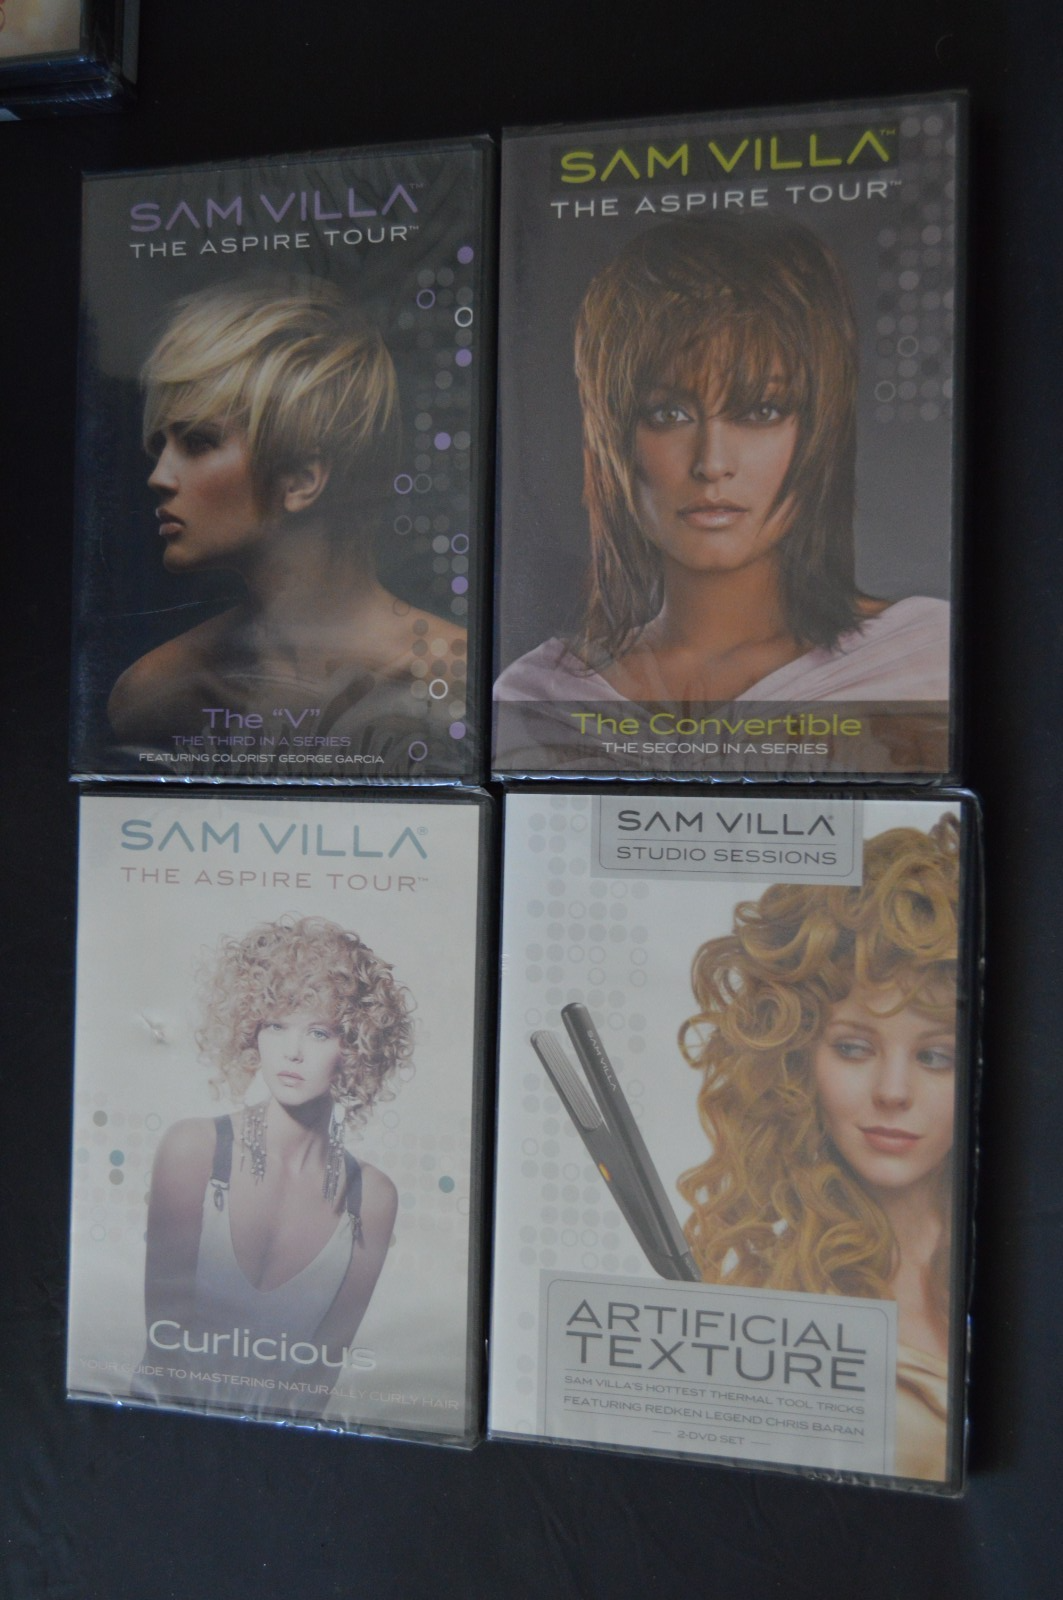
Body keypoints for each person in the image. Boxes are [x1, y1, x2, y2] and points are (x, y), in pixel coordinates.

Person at [494, 215, 949, 712]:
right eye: (668, 414)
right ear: (612, 436)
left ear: (820, 428)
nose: (711, 464)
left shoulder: (923, 661)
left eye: (761, 411)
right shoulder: (542, 698)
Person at [677, 816, 961, 1481]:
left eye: (935, 1056)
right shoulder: (763, 1296)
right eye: (854, 1048)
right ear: (796, 1055)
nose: (892, 1092)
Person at [108, 277, 466, 769]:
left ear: (301, 479)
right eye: (159, 447)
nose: (158, 477)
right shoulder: (158, 693)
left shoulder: (456, 680)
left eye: (198, 442)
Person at [142, 916, 412, 1412]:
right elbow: (164, 1350)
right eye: (275, 1025)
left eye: (318, 1032)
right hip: (163, 1433)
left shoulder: (371, 1199)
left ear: (354, 1047)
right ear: (251, 1031)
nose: (292, 1052)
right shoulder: (193, 1151)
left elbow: (318, 1381)